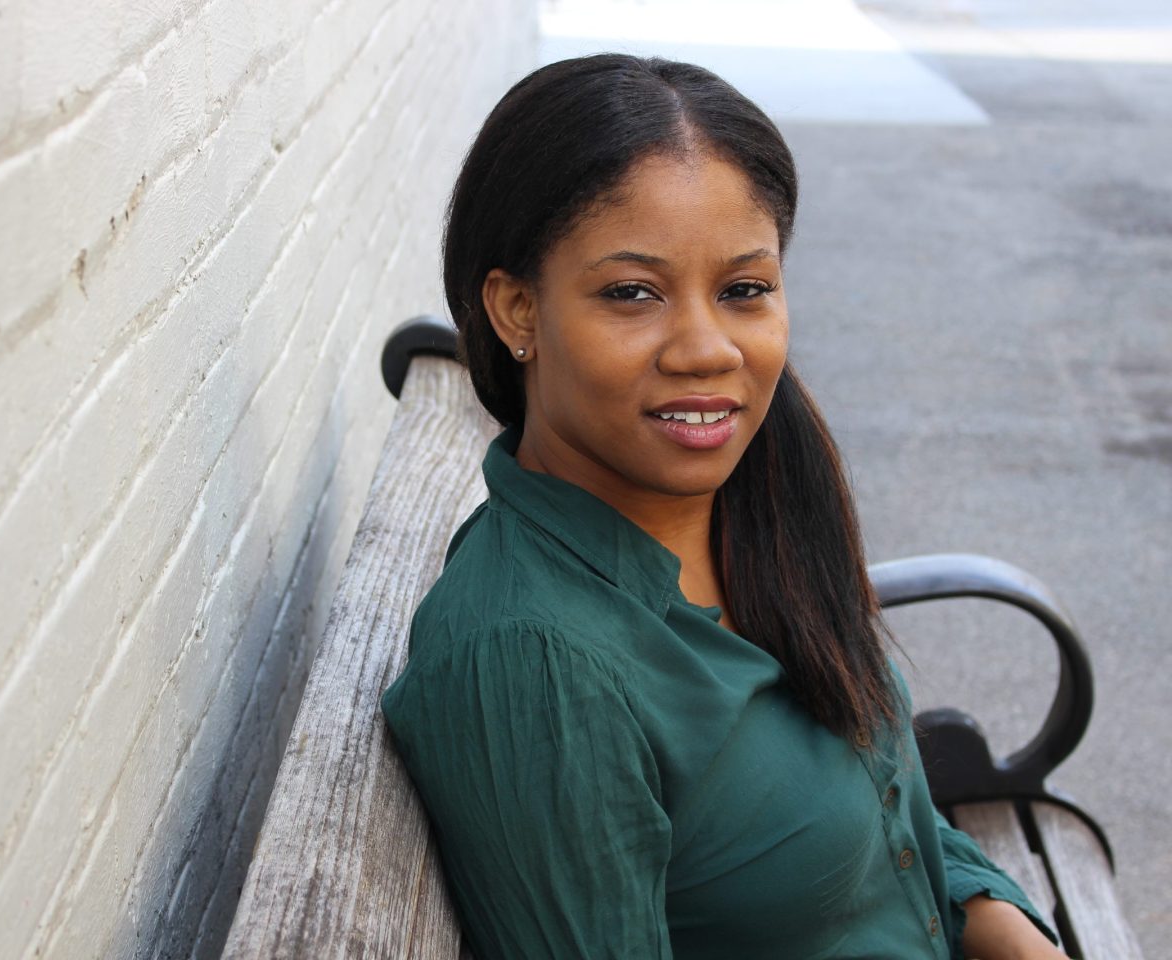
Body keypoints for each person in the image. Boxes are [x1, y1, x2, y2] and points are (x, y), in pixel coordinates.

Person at [378, 53, 1066, 960]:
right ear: (516, 311)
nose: (707, 350)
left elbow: (893, 820)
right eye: (633, 293)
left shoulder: (755, 493)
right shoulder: (536, 665)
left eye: (744, 290)